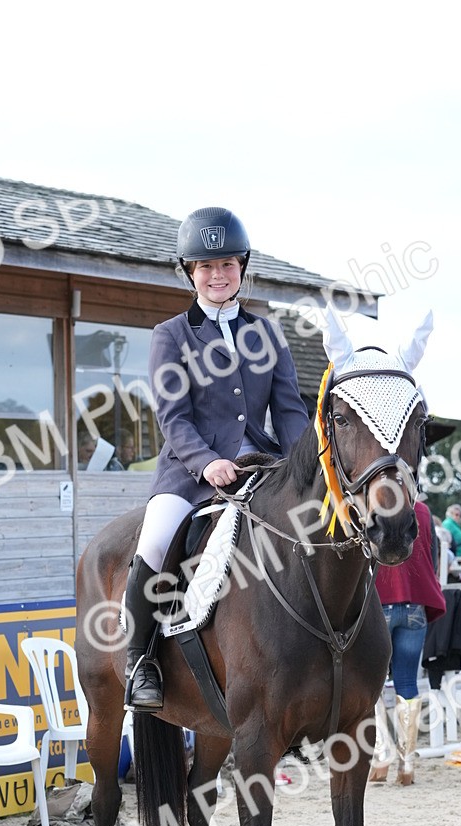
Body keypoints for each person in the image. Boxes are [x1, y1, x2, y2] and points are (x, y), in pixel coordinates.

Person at [124, 207, 309, 709]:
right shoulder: (171, 335)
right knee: (157, 537)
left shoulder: (268, 333)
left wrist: (306, 466)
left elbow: (290, 410)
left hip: (262, 467)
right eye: (206, 267)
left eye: (227, 264)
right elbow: (173, 416)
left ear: (242, 267)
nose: (218, 275)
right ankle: (140, 661)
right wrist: (205, 462)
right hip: (191, 472)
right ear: (190, 272)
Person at [369, 500, 446, 785]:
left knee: (371, 686)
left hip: (380, 604)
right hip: (416, 604)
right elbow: (433, 558)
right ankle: (407, 763)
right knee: (408, 684)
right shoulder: (423, 510)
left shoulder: (372, 507)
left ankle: (381, 756)